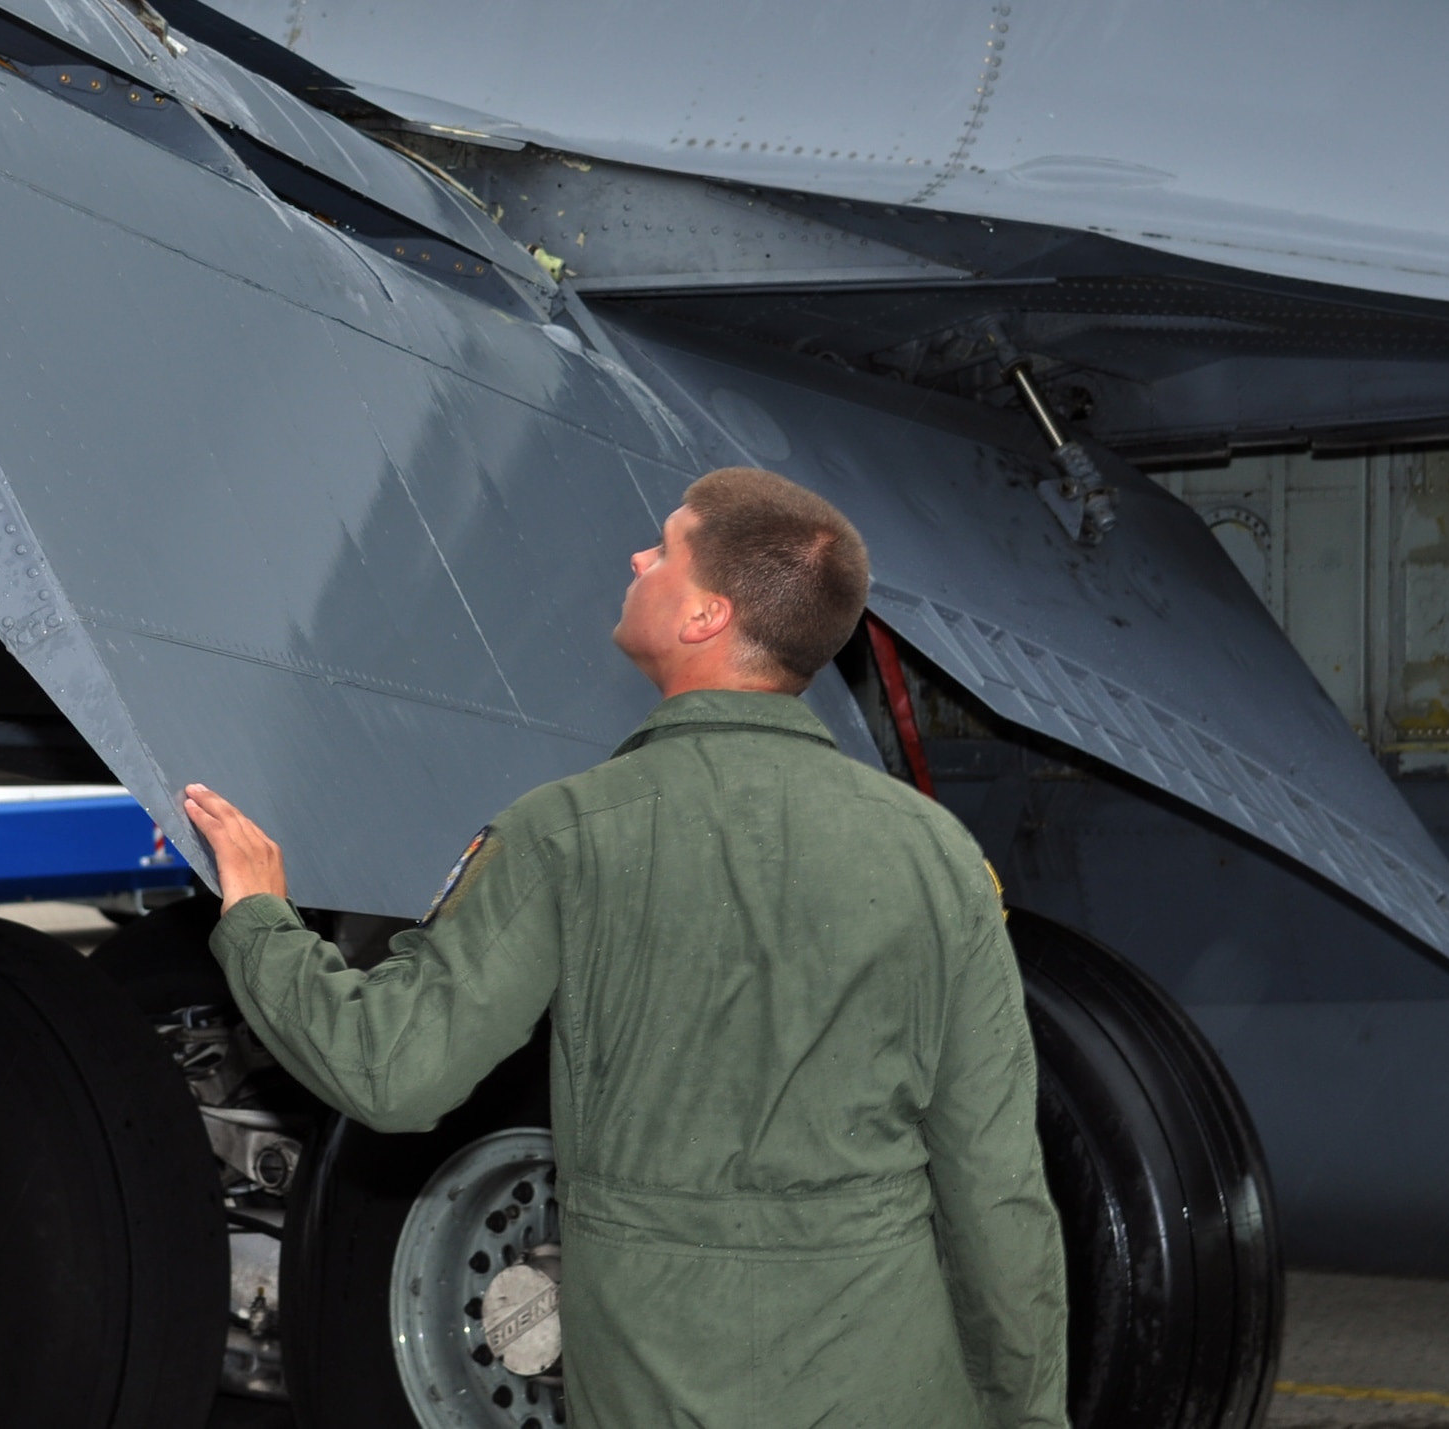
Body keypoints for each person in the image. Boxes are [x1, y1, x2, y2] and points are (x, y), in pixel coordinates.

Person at [184, 466, 1069, 1428]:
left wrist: (261, 919)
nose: (638, 557)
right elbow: (998, 1192)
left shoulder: (567, 833)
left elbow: (395, 1072)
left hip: (660, 1382)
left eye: (666, 547)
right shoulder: (939, 855)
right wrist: (1026, 1413)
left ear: (704, 617)